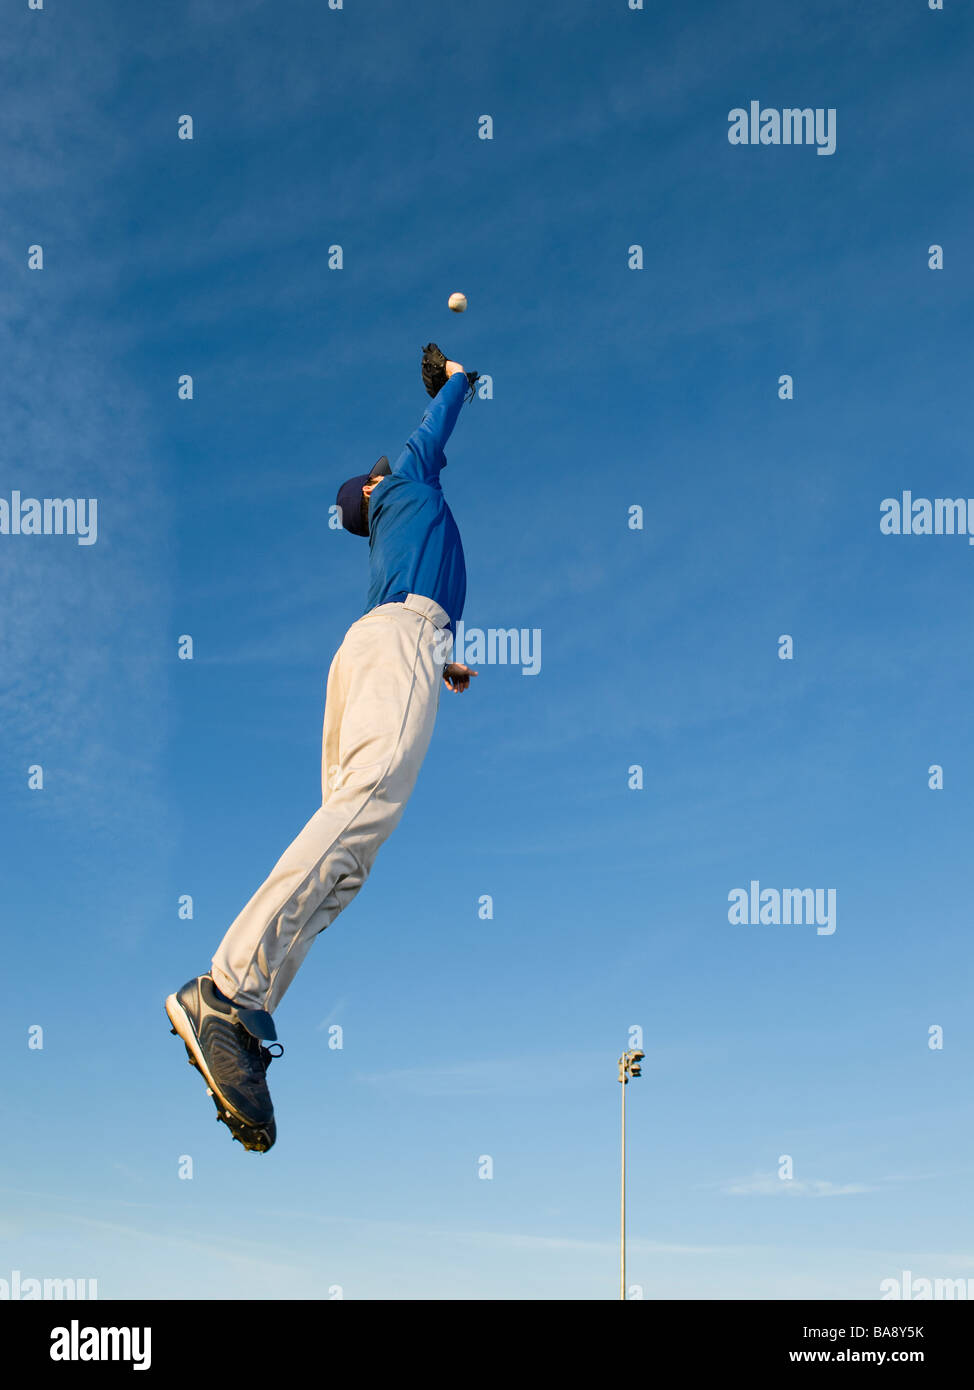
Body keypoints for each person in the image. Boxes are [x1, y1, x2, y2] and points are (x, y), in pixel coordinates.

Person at [166, 357, 478, 1151]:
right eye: (374, 478)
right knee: (362, 814)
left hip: (381, 652)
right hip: (395, 644)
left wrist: (441, 661)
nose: (386, 470)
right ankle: (224, 992)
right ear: (372, 496)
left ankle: (243, 1012)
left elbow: (416, 592)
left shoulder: (395, 532)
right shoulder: (404, 485)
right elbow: (433, 429)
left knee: (346, 852)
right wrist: (456, 377)